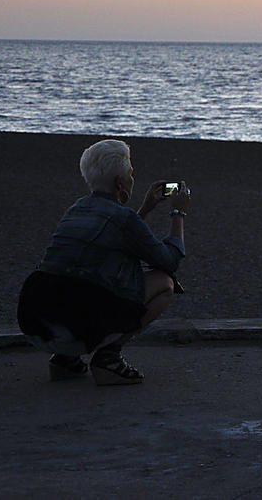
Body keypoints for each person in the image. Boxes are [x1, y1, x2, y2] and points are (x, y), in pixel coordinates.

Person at [17, 139, 191, 385]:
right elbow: (169, 261)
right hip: (77, 325)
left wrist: (146, 208)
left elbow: (117, 237)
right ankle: (109, 359)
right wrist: (178, 214)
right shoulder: (124, 219)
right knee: (164, 283)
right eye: (131, 173)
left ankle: (65, 361)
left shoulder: (76, 209)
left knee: (81, 282)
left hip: (37, 318)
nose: (133, 178)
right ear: (120, 182)